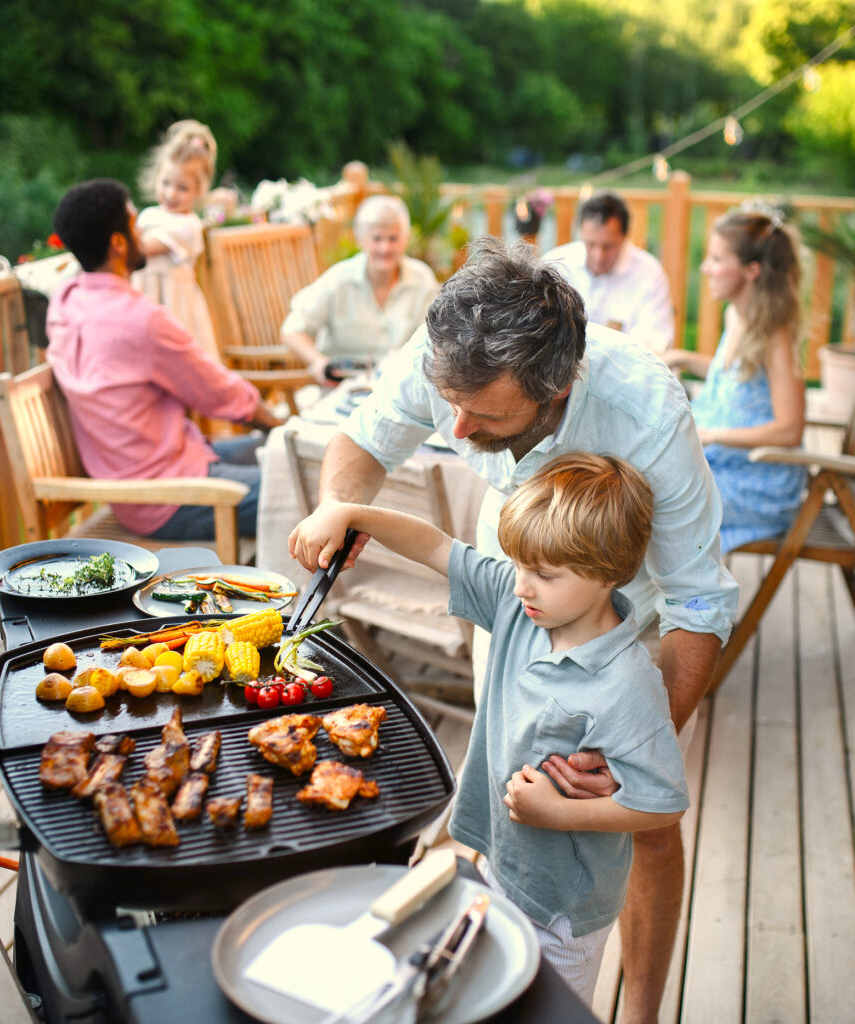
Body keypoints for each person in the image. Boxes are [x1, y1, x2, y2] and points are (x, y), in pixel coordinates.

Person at [287, 236, 736, 1024]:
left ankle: (641, 1011)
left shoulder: (646, 413)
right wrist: (337, 504)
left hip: (628, 613)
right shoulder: (450, 352)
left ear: (555, 389)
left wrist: (634, 745)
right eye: (447, 402)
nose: (454, 430)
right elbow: (362, 442)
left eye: (483, 414)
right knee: (507, 776)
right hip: (519, 584)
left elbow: (699, 603)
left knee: (643, 831)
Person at [300, 453, 687, 1006]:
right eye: (519, 565)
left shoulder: (627, 685)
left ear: (609, 574)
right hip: (501, 862)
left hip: (565, 910)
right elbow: (435, 546)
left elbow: (664, 803)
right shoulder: (520, 605)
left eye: (544, 575)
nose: (522, 586)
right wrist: (352, 513)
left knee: (546, 1009)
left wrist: (561, 813)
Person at [47, 179, 283, 543]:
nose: (143, 232)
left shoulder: (66, 301)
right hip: (172, 498)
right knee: (308, 483)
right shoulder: (140, 320)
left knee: (281, 454)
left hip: (159, 473)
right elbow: (219, 393)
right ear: (118, 243)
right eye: (134, 223)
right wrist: (280, 425)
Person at [663, 209, 807, 552]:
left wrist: (711, 435)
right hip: (726, 464)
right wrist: (682, 357)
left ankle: (689, 601)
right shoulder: (738, 314)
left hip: (760, 482)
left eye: (716, 259)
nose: (705, 268)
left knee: (653, 503)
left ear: (751, 271)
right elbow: (737, 376)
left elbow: (790, 430)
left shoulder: (775, 334)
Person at [279, 194, 440, 383]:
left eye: (393, 238)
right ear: (361, 239)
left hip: (403, 386)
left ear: (406, 239)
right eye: (377, 238)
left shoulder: (422, 280)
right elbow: (291, 330)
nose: (385, 248)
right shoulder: (338, 279)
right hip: (342, 385)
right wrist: (319, 363)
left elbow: (439, 337)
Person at [543, 192, 676, 353]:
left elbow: (656, 341)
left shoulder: (649, 273)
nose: (598, 256)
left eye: (609, 246)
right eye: (590, 244)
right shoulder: (556, 263)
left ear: (624, 237)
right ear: (581, 234)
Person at [134, 119, 222, 362]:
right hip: (144, 299)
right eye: (166, 183)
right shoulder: (148, 215)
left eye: (182, 188)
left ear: (199, 190)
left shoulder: (188, 226)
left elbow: (141, 249)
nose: (171, 193)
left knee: (179, 362)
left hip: (174, 307)